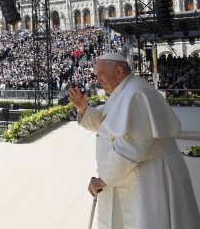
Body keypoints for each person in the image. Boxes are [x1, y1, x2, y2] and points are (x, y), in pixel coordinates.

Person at [68, 52, 200, 228]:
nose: (97, 78)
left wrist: (102, 179)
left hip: (148, 177)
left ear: (118, 71)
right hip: (134, 174)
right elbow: (107, 123)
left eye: (101, 73)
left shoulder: (135, 93)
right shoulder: (123, 90)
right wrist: (84, 108)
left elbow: (130, 146)